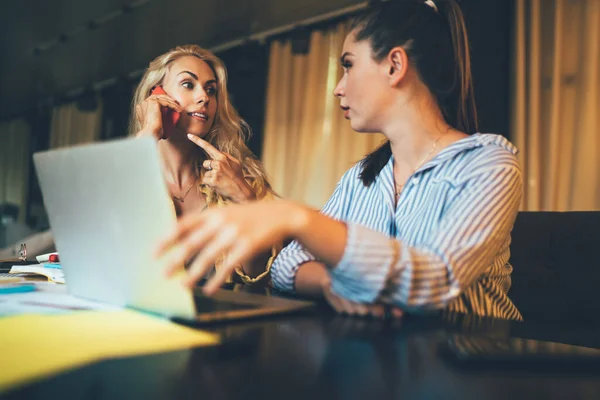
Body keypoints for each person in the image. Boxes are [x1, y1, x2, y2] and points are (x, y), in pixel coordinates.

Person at [156, 0, 523, 321]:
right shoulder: (360, 179)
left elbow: (433, 283)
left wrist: (298, 218)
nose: (338, 86)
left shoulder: (489, 164)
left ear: (394, 65)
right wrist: (333, 283)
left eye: (348, 65)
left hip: (473, 368)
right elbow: (284, 269)